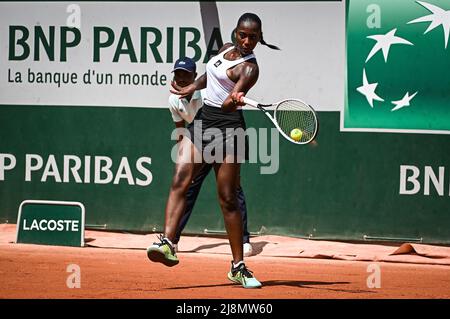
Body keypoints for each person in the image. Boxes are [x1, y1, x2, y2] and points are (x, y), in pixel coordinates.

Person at [147, 13, 279, 289]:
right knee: (180, 178)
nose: (246, 41)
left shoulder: (250, 69)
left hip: (229, 130)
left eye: (253, 37)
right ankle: (168, 242)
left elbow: (228, 106)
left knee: (227, 198)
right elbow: (211, 76)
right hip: (204, 122)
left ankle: (238, 266)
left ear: (259, 38)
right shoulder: (224, 50)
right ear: (235, 32)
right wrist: (191, 87)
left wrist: (235, 99)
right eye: (243, 34)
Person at [167, 56, 253, 256]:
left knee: (232, 192)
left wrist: (233, 99)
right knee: (186, 187)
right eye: (178, 74)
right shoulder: (173, 99)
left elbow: (226, 110)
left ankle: (244, 240)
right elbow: (180, 130)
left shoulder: (207, 92)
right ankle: (172, 240)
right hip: (197, 142)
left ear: (194, 76)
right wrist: (184, 155)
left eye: (185, 75)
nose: (181, 79)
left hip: (222, 137)